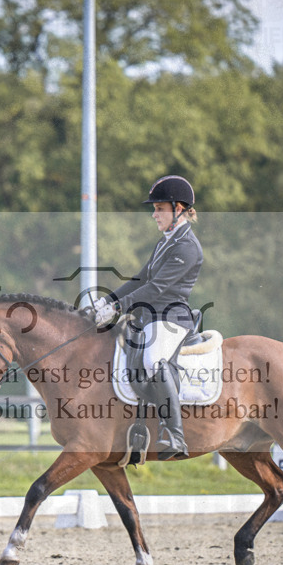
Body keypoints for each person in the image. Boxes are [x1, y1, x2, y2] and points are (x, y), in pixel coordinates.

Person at [91, 175, 203, 460]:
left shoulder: (187, 247)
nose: (154, 215)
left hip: (172, 318)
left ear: (178, 209)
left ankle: (175, 436)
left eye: (159, 209)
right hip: (152, 316)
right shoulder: (166, 242)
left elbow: (156, 288)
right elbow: (140, 278)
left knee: (154, 359)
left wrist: (118, 309)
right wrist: (109, 299)